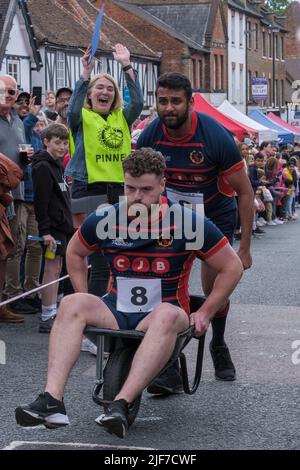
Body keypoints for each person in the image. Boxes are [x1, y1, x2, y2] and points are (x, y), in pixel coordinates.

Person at [15, 148, 243, 438]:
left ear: (162, 185)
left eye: (146, 190)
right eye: (130, 188)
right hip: (116, 309)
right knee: (72, 302)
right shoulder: (108, 218)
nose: (137, 197)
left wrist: (206, 311)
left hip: (166, 313)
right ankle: (52, 400)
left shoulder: (186, 222)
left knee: (165, 314)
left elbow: (231, 267)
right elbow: (74, 252)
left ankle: (121, 404)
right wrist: (87, 295)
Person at [137, 72, 253, 388]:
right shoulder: (150, 137)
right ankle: (170, 365)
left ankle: (218, 342)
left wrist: (243, 248)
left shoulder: (215, 137)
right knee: (165, 285)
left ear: (190, 102)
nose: (169, 108)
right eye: (163, 101)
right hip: (173, 218)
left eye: (176, 101)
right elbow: (138, 188)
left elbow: (245, 191)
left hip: (214, 216)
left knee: (214, 284)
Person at [65, 43, 143, 300]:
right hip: (88, 188)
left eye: (110, 89)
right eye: (100, 87)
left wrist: (126, 65)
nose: (105, 92)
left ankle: (111, 310)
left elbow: (139, 102)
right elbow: (73, 109)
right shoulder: (81, 118)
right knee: (97, 257)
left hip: (118, 189)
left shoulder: (122, 117)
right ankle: (92, 315)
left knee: (117, 253)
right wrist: (85, 74)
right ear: (89, 94)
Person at [31, 123, 74, 333]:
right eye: (57, 142)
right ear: (46, 141)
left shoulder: (58, 166)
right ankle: (47, 314)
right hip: (52, 229)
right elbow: (42, 201)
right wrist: (45, 231)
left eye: (65, 143)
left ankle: (53, 309)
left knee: (57, 268)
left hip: (63, 226)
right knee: (51, 268)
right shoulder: (42, 167)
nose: (62, 147)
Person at [0, 74, 29, 323]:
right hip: (1, 194)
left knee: (11, 248)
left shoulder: (17, 119)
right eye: (4, 91)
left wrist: (27, 155)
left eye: (12, 92)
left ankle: (3, 302)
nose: (9, 96)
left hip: (16, 194)